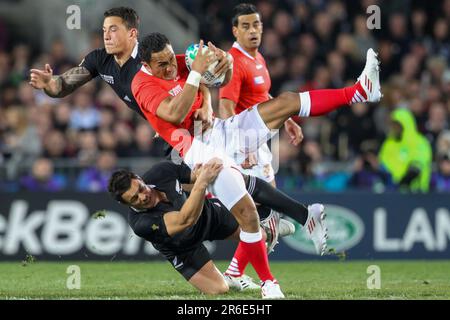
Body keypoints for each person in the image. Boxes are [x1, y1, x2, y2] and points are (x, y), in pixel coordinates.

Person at [131, 32, 381, 297]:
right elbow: (174, 112)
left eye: (171, 59)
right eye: (163, 65)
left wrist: (221, 65)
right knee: (248, 213)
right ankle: (270, 280)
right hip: (198, 150)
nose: (171, 67)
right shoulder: (141, 84)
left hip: (219, 130)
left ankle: (360, 91)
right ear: (147, 65)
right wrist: (196, 75)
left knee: (285, 102)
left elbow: (215, 79)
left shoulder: (181, 62)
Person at [108, 159, 325, 295]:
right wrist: (202, 182)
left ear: (139, 178)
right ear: (125, 204)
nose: (143, 196)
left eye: (141, 188)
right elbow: (185, 220)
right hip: (183, 248)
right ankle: (234, 275)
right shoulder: (140, 224)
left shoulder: (161, 171)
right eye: (135, 198)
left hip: (208, 215)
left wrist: (226, 169)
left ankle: (269, 230)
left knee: (256, 234)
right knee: (219, 290)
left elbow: (197, 174)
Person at [219, 3, 303, 186]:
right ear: (235, 31)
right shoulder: (234, 61)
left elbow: (262, 96)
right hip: (243, 147)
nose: (252, 31)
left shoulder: (257, 57)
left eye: (256, 25)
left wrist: (287, 119)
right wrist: (243, 147)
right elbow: (225, 108)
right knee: (253, 208)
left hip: (258, 143)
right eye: (246, 26)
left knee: (269, 205)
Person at [379, 108, 432, 192]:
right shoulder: (388, 143)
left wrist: (403, 183)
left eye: (396, 125)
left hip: (416, 193)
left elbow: (418, 166)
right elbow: (383, 164)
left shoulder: (420, 142)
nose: (393, 128)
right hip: (393, 192)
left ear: (405, 125)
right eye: (392, 125)